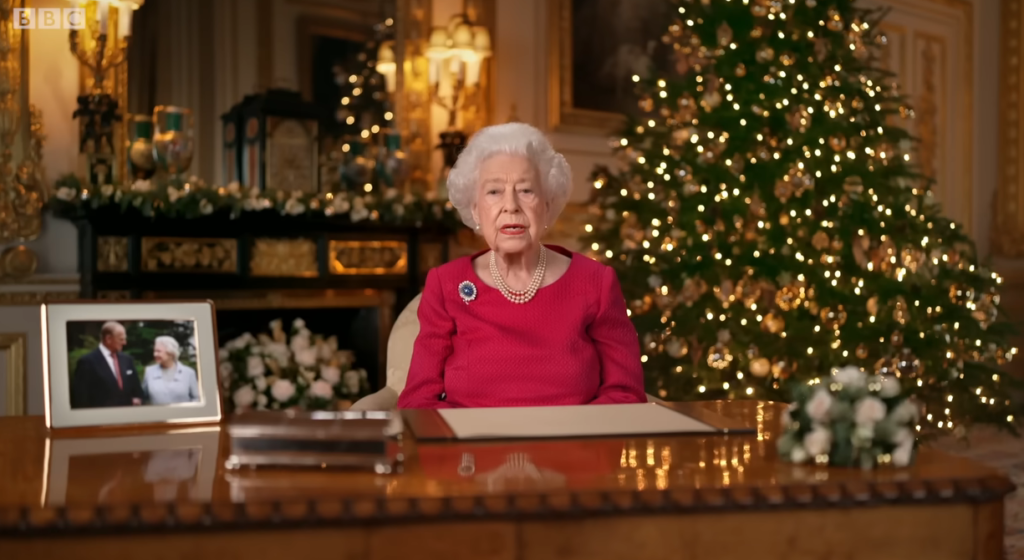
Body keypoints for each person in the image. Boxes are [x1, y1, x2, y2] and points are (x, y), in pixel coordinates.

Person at [397, 123, 647, 409]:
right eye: (494, 192)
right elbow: (418, 402)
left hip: (570, 448)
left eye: (526, 190)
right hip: (472, 450)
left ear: (547, 206)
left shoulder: (596, 282)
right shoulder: (445, 284)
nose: (511, 205)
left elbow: (625, 393)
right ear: (476, 208)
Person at [70, 321, 144, 409]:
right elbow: (80, 398)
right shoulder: (87, 362)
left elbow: (137, 390)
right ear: (108, 339)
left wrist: (137, 399)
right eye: (121, 339)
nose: (125, 343)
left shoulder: (127, 360)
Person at [143, 336, 200, 405]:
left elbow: (196, 398)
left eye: (158, 351)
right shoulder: (149, 371)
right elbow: (143, 398)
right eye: (154, 351)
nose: (155, 354)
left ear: (171, 353)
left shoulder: (189, 373)